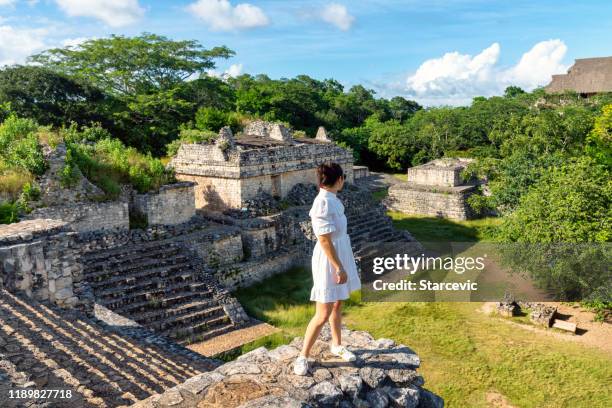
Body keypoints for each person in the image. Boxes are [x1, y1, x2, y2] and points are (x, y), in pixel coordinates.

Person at [293, 162, 361, 376]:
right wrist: (338, 267)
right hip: (329, 259)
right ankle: (302, 356)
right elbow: (323, 240)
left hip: (341, 251)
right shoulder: (322, 202)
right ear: (339, 179)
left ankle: (337, 344)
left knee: (338, 303)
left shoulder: (333, 199)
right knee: (322, 312)